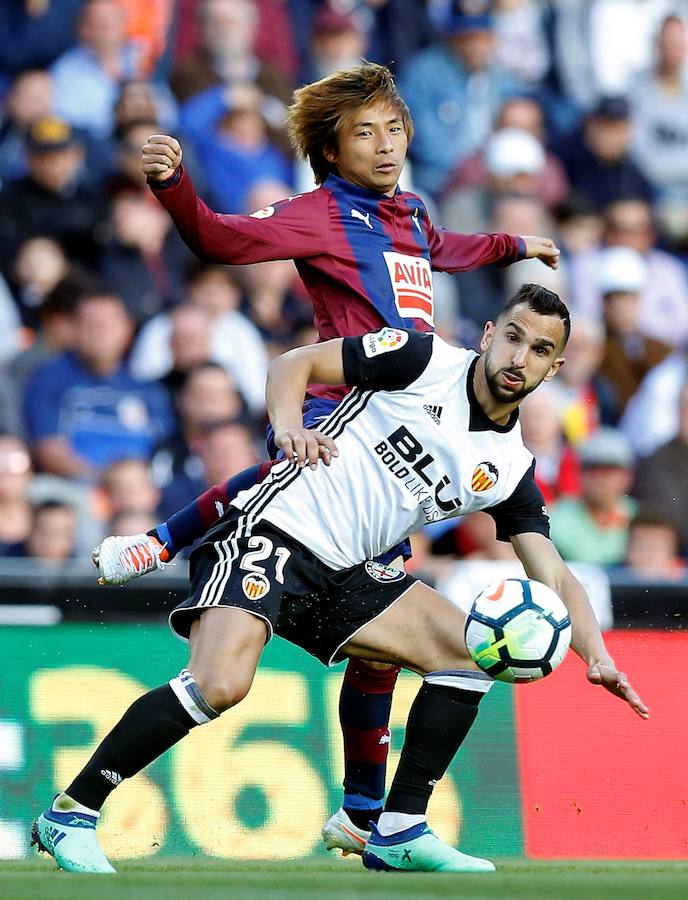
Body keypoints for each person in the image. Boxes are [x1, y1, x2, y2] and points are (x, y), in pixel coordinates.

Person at [31, 286, 647, 876]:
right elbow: (291, 364)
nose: (519, 358)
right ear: (489, 334)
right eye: (513, 337)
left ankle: (400, 829)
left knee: (468, 655)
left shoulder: (510, 467)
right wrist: (289, 426)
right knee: (219, 683)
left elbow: (554, 574)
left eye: (539, 350)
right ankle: (72, 814)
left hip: (348, 572)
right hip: (275, 529)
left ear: (556, 366)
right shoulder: (423, 359)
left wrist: (598, 656)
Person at [140, 61, 561, 856]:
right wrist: (174, 187)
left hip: (407, 425)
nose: (385, 145)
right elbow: (221, 239)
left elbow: (449, 247)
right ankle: (161, 544)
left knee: (384, 636)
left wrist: (515, 245)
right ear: (331, 151)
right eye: (364, 133)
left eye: (394, 129)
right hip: (343, 423)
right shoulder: (319, 213)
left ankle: (364, 813)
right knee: (363, 607)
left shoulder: (410, 213)